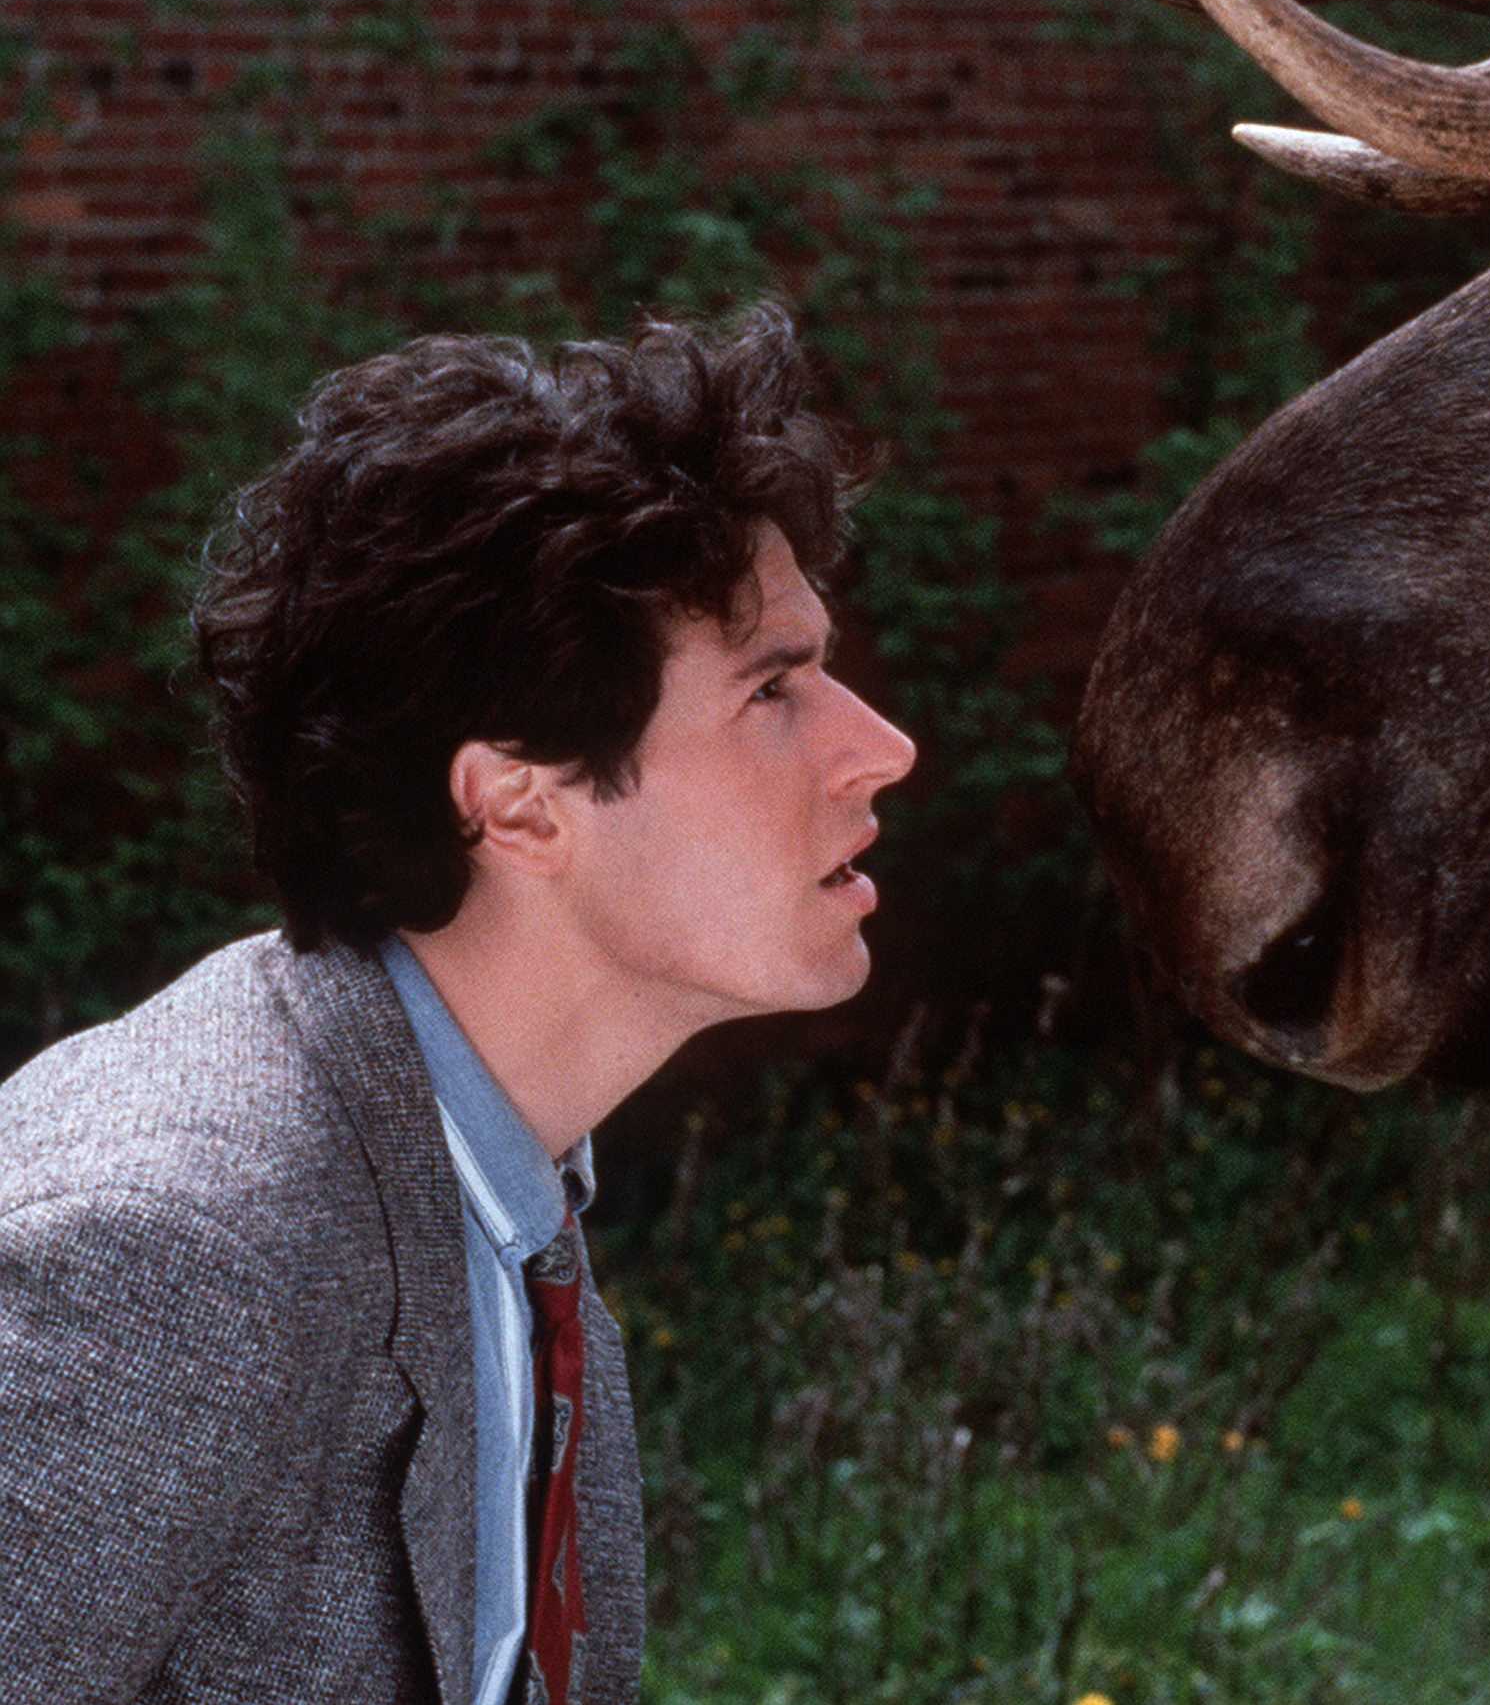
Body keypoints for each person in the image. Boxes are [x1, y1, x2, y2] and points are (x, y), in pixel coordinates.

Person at [0, 306, 915, 1705]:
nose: (882, 747)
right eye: (774, 688)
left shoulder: (502, 1181)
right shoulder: (171, 1246)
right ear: (519, 804)